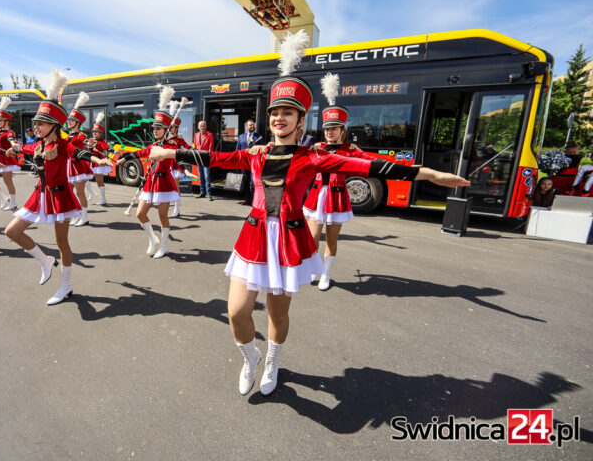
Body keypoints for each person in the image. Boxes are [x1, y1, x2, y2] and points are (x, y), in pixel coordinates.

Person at [147, 71, 469, 397]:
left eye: (287, 112)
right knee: (236, 312)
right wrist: (171, 153)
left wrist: (430, 175)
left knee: (277, 313)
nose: (279, 118)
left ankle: (272, 361)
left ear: (301, 119)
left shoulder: (314, 157)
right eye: (274, 113)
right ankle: (251, 356)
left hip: (288, 240)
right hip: (254, 238)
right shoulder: (256, 154)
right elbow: (216, 157)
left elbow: (370, 167)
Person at [4, 70, 112, 305]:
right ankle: (44, 260)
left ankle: (66, 286)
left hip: (60, 198)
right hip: (38, 195)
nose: (37, 127)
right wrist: (14, 148)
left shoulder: (64, 145)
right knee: (11, 231)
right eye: (36, 123)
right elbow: (25, 149)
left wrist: (96, 160)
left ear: (54, 126)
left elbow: (80, 153)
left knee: (63, 243)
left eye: (41, 124)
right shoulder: (38, 145)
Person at [303, 100, 377, 291]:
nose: (329, 132)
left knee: (331, 240)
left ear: (342, 130)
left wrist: (403, 169)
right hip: (316, 196)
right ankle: (315, 268)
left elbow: (373, 161)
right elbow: (295, 156)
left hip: (336, 198)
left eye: (334, 129)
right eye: (327, 129)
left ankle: (326, 274)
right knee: (312, 238)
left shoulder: (350, 150)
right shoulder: (317, 146)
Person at [117, 108, 181, 259]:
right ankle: (153, 238)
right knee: (140, 214)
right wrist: (124, 159)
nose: (155, 131)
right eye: (154, 129)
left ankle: (164, 246)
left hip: (164, 184)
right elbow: (140, 152)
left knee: (163, 216)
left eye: (158, 129)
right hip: (151, 183)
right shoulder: (154, 145)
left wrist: (165, 148)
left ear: (166, 129)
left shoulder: (171, 146)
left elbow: (175, 155)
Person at [65, 95, 94, 226]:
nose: (69, 122)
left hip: (78, 166)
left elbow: (85, 141)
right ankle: (76, 215)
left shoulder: (81, 135)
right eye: (69, 120)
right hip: (69, 166)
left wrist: (89, 143)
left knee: (79, 192)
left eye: (71, 120)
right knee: (69, 192)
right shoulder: (69, 135)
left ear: (78, 123)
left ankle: (85, 216)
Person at [167, 115, 194, 218]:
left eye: (171, 127)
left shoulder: (179, 138)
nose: (169, 129)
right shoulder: (167, 138)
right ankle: (169, 205)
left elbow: (187, 146)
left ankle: (177, 210)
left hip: (176, 165)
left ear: (176, 128)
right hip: (168, 165)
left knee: (175, 188)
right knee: (169, 188)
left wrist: (194, 150)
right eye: (169, 127)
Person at [235, 119, 263, 205]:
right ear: (246, 126)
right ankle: (247, 199)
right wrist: (237, 162)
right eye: (250, 125)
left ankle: (254, 200)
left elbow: (262, 149)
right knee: (246, 181)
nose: (252, 126)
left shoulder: (259, 137)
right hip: (244, 163)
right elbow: (238, 150)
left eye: (253, 125)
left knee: (254, 182)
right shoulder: (241, 136)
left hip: (254, 162)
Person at [89, 117, 111, 205]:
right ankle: (92, 193)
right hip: (91, 162)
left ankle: (103, 199)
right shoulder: (91, 140)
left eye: (96, 132)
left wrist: (113, 151)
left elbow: (107, 148)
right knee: (84, 179)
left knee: (99, 181)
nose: (94, 133)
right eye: (93, 132)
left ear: (100, 133)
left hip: (98, 164)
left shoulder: (101, 142)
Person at [192, 120, 214, 200]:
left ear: (206, 126)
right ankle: (202, 192)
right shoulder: (196, 135)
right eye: (201, 126)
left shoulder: (210, 135)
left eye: (204, 125)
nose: (202, 127)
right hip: (198, 158)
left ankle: (208, 193)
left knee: (207, 176)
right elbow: (195, 147)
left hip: (206, 158)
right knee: (201, 176)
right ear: (198, 127)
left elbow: (211, 148)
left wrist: (209, 156)